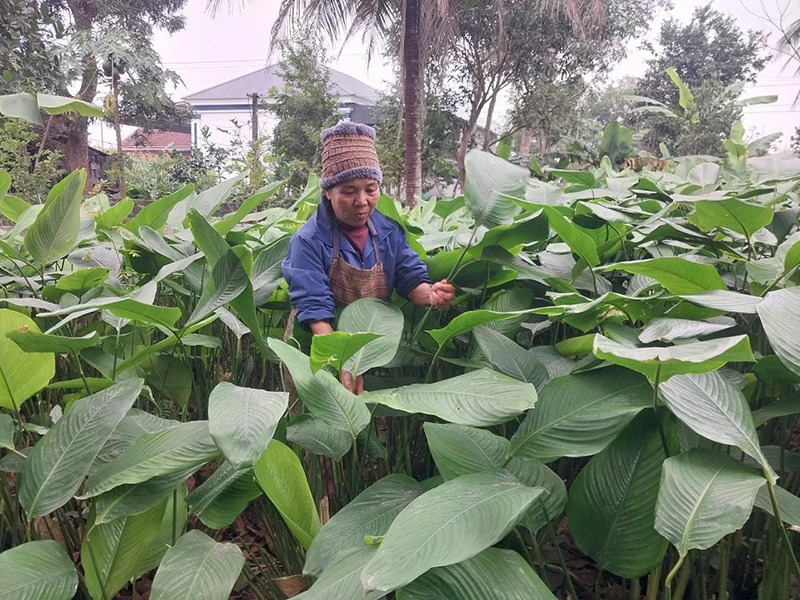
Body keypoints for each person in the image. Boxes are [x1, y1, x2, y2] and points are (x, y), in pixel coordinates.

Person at [282, 122, 455, 393]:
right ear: (328, 191)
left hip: (366, 350)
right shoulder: (307, 240)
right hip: (316, 346)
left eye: (371, 189)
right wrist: (341, 362)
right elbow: (314, 308)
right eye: (349, 191)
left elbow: (410, 279)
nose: (362, 201)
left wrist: (431, 294)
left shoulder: (389, 231)